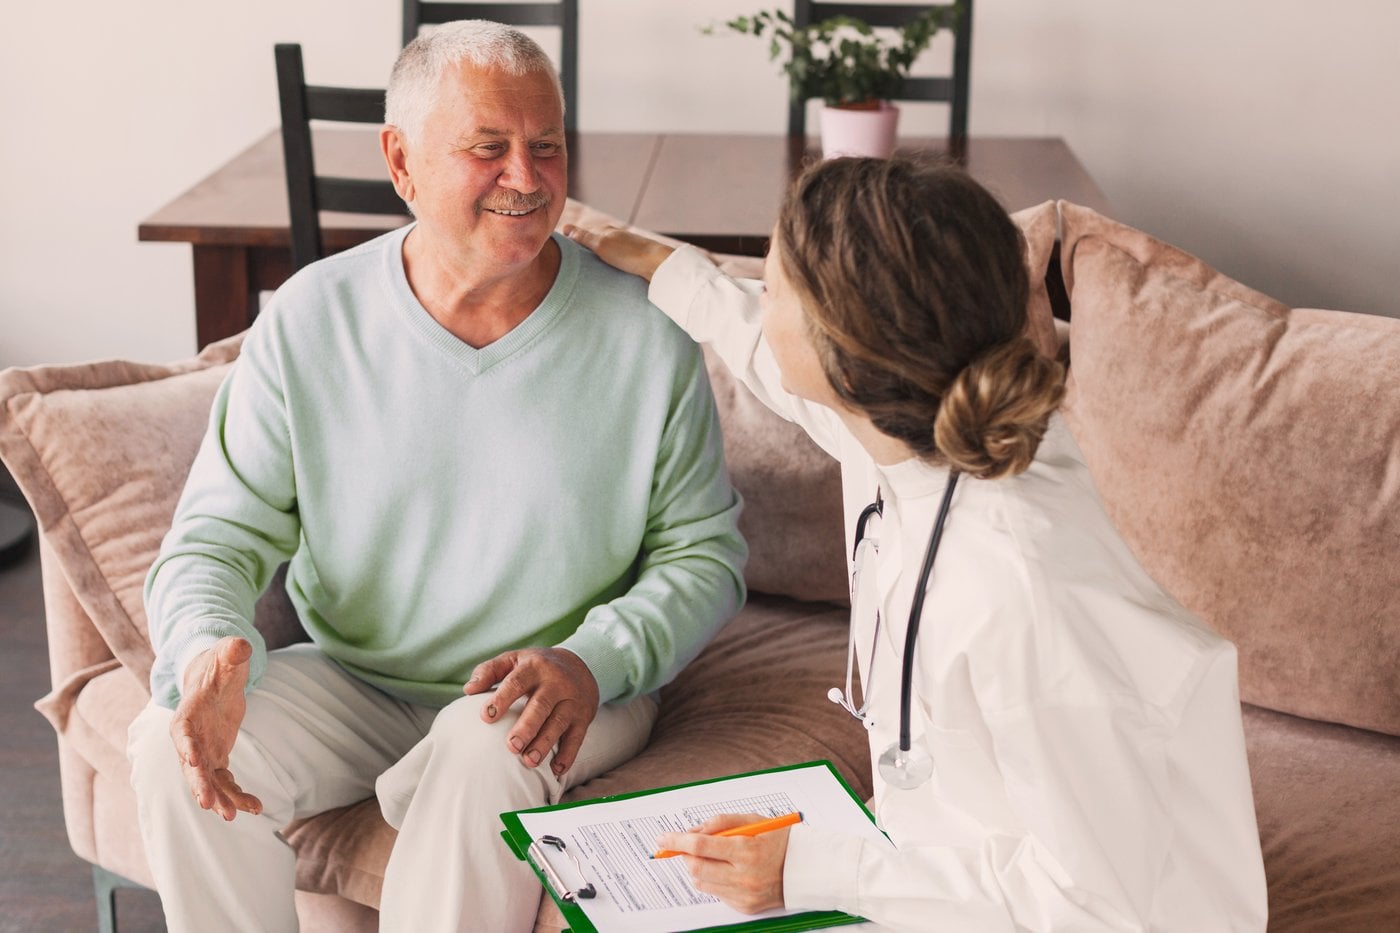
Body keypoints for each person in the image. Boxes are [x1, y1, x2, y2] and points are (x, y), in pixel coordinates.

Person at [127, 20, 745, 933]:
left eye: (547, 146)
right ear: (401, 160)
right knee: (163, 748)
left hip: (559, 685)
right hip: (356, 680)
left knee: (486, 740)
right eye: (488, 149)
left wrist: (593, 659)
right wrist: (203, 650)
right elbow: (216, 536)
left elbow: (706, 557)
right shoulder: (309, 320)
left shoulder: (644, 336)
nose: (527, 180)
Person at [564, 157, 1268, 931]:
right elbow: (763, 352)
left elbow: (1093, 906)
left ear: (845, 349)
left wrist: (813, 869)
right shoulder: (904, 431)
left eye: (774, 285)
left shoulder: (1021, 588)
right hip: (947, 874)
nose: (760, 297)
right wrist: (651, 258)